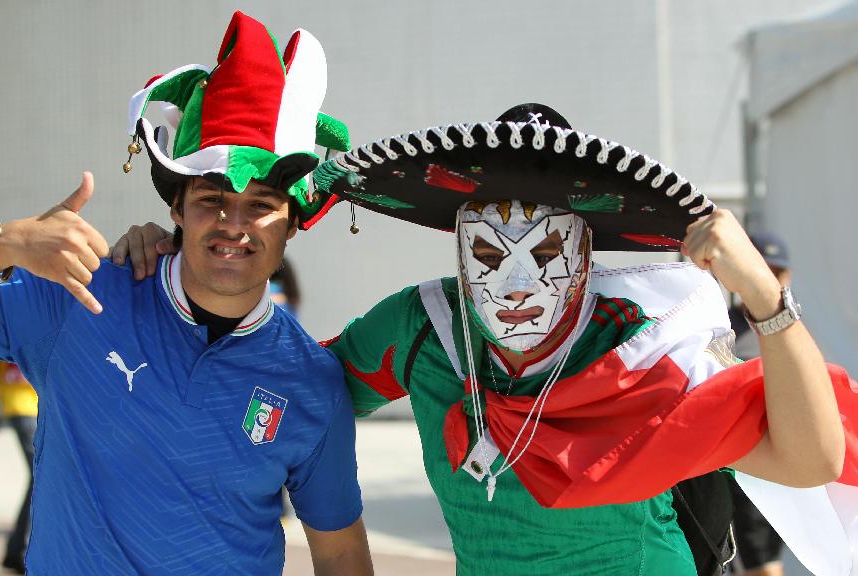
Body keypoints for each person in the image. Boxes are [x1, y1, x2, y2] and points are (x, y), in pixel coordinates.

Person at [116, 104, 857, 575]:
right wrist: (178, 268)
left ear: (586, 256)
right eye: (491, 253)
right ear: (457, 245)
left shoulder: (641, 346)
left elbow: (809, 458)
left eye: (544, 254)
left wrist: (764, 298)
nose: (515, 284)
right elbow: (285, 393)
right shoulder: (422, 329)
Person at [0, 12, 371, 576]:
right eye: (211, 198)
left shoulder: (311, 379)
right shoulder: (77, 295)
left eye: (261, 205)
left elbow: (341, 550)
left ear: (293, 222)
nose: (233, 223)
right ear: (175, 208)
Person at [728, 232, 792, 576]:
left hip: (780, 465)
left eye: (774, 272)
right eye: (759, 269)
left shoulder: (793, 332)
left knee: (768, 560)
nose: (764, 280)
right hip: (737, 464)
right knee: (754, 562)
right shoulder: (717, 324)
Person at [0, 361, 38, 574]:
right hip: (20, 405)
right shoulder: (15, 327)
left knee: (38, 476)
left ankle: (17, 548)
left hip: (34, 405)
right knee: (39, 476)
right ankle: (19, 549)